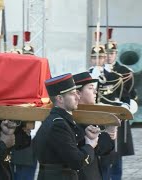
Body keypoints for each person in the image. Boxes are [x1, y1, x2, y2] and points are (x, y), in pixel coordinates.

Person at [34, 73, 99, 180]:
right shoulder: (58, 125)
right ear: (60, 98)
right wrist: (90, 145)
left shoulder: (58, 120)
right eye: (73, 94)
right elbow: (77, 162)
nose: (78, 97)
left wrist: (87, 137)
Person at [99, 28, 136, 180]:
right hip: (101, 115)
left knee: (117, 154)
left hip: (118, 116)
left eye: (112, 53)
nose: (109, 56)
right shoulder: (97, 72)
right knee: (103, 155)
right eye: (106, 53)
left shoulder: (123, 71)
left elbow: (130, 93)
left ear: (116, 54)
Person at [73, 72, 116, 180]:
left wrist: (110, 133)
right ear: (78, 93)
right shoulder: (77, 117)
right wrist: (109, 134)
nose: (95, 91)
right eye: (90, 88)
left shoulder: (88, 113)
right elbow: (99, 147)